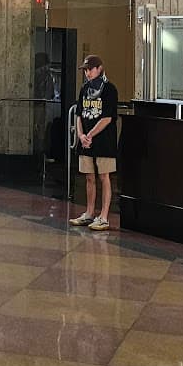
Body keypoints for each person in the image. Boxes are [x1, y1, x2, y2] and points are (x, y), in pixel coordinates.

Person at [69, 53, 119, 232]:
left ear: (99, 69)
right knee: (89, 177)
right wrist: (81, 135)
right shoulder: (84, 89)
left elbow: (107, 118)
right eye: (85, 70)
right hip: (86, 142)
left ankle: (103, 216)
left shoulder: (109, 89)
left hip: (104, 141)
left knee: (104, 176)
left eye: (90, 69)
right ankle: (89, 212)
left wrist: (90, 135)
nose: (87, 73)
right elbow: (79, 114)